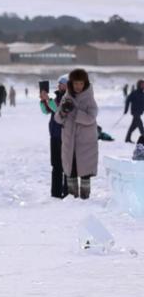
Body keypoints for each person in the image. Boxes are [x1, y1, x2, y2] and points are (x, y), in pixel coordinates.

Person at [54, 68, 99, 199]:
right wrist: (63, 111)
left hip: (86, 143)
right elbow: (57, 118)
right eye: (75, 83)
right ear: (71, 84)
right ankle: (72, 198)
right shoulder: (66, 97)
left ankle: (85, 198)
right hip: (69, 141)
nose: (78, 86)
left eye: (81, 83)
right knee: (71, 170)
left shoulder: (89, 99)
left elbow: (91, 117)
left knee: (85, 171)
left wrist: (75, 112)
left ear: (85, 83)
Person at [39, 76, 68, 199]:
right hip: (55, 136)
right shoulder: (57, 97)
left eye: (61, 83)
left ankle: (68, 193)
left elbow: (60, 110)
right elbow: (46, 111)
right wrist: (43, 101)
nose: (58, 86)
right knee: (56, 165)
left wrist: (49, 100)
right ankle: (55, 193)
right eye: (58, 83)